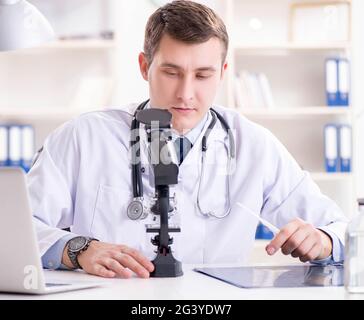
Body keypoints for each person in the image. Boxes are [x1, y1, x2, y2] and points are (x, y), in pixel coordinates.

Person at [27, 0, 348, 279]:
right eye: (171, 72)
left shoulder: (254, 145)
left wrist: (322, 240)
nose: (186, 93)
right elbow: (14, 230)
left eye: (203, 75)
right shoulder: (84, 137)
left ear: (223, 73)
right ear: (144, 66)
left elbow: (341, 229)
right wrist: (79, 249)